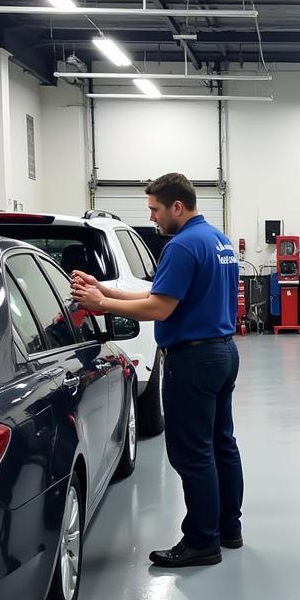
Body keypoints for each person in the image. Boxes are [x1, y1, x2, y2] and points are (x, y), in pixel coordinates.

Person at [71, 173, 243, 568]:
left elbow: (158, 309)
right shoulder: (218, 240)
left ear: (176, 207)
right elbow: (160, 294)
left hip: (193, 360)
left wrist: (103, 305)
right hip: (222, 353)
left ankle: (202, 541)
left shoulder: (181, 246)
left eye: (154, 209)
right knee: (221, 444)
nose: (152, 218)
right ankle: (227, 528)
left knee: (191, 452)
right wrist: (106, 291)